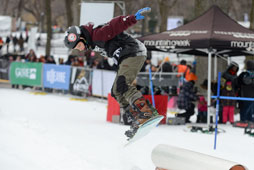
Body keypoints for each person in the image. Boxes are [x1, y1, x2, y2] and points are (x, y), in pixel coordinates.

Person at [63, 7, 159, 136]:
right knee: (116, 92)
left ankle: (146, 112)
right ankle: (136, 119)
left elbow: (115, 25)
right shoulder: (92, 42)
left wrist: (132, 18)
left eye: (79, 46)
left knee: (123, 85)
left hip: (134, 52)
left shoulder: (97, 34)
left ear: (82, 38)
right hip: (126, 57)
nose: (80, 49)